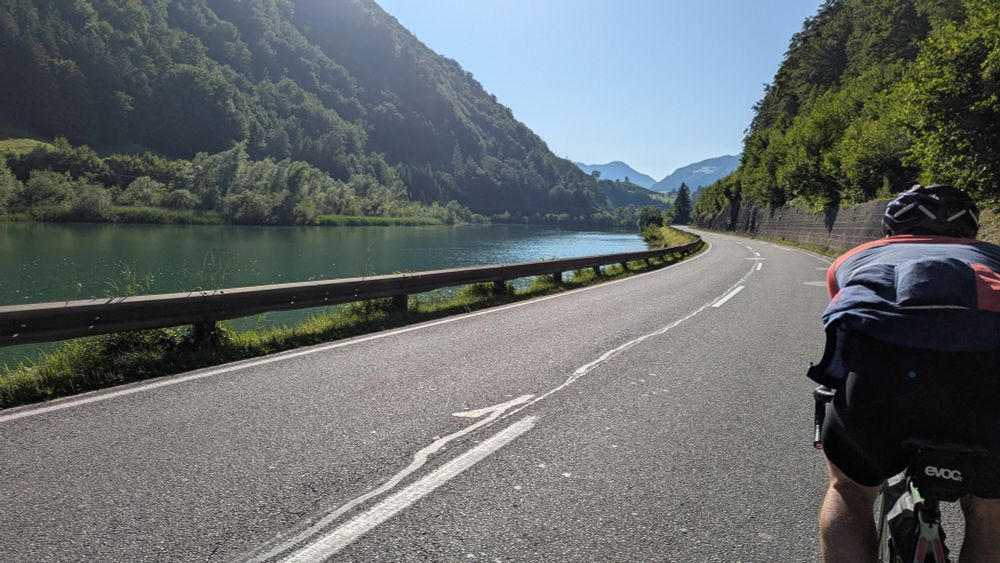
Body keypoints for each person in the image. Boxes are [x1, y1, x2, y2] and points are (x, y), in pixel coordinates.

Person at [808, 184, 1000, 561]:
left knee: (851, 490)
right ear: (971, 232)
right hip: (989, 379)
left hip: (884, 380)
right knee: (991, 509)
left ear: (891, 229)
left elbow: (846, 323)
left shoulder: (857, 257)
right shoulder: (994, 256)